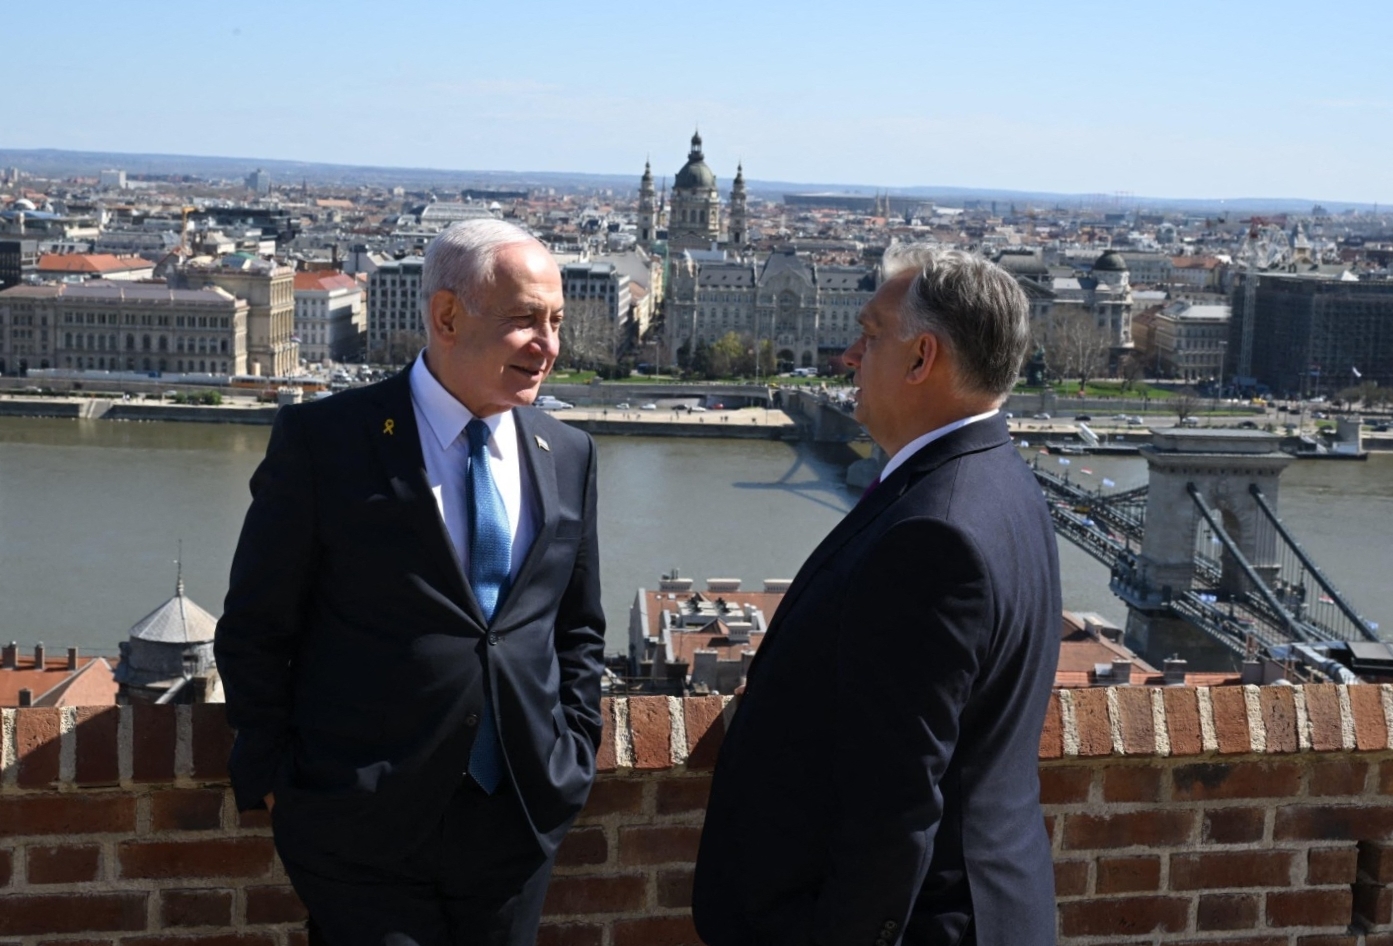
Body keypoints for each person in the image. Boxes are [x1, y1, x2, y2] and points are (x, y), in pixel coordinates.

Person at [215, 219, 605, 946]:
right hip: (360, 821)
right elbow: (256, 626)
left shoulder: (568, 452)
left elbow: (576, 627)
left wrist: (572, 754)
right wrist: (275, 776)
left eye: (555, 322)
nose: (548, 345)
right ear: (446, 317)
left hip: (516, 815)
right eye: (525, 320)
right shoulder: (325, 441)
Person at [693, 247, 1061, 946]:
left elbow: (895, 804)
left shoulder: (932, 534)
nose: (848, 356)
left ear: (922, 358)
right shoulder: (1001, 483)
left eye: (869, 335)